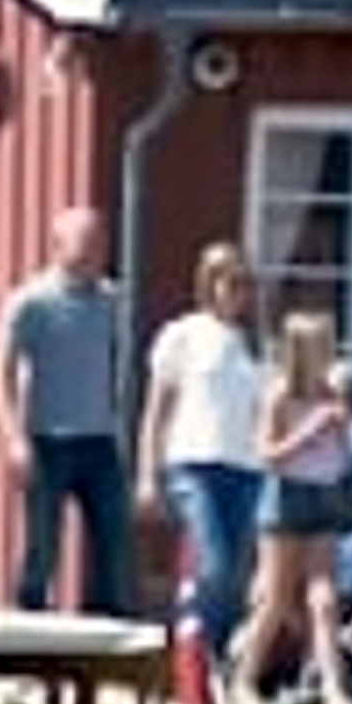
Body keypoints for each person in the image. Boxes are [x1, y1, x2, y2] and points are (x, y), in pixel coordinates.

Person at [0, 203, 130, 615]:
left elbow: (121, 365)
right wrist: (14, 438)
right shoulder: (30, 301)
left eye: (99, 241)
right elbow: (1, 372)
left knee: (113, 539)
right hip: (47, 438)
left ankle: (103, 628)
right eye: (85, 242)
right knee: (43, 545)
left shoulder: (112, 301)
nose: (95, 251)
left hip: (99, 439)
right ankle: (30, 627)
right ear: (58, 246)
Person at [138, 239, 267, 662]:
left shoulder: (253, 344)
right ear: (209, 285)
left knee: (236, 573)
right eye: (231, 282)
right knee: (212, 564)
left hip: (246, 466)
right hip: (196, 460)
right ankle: (188, 652)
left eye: (246, 283)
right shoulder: (184, 334)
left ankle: (212, 654)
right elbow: (157, 409)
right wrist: (147, 474)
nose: (239, 292)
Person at [250, 310, 352, 704]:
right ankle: (244, 678)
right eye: (319, 347)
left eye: (329, 346)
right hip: (285, 496)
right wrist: (308, 433)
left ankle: (334, 688)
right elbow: (266, 455)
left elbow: (343, 457)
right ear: (299, 352)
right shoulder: (280, 395)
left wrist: (341, 437)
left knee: (324, 598)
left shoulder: (332, 395)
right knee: (276, 599)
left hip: (324, 495)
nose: (327, 354)